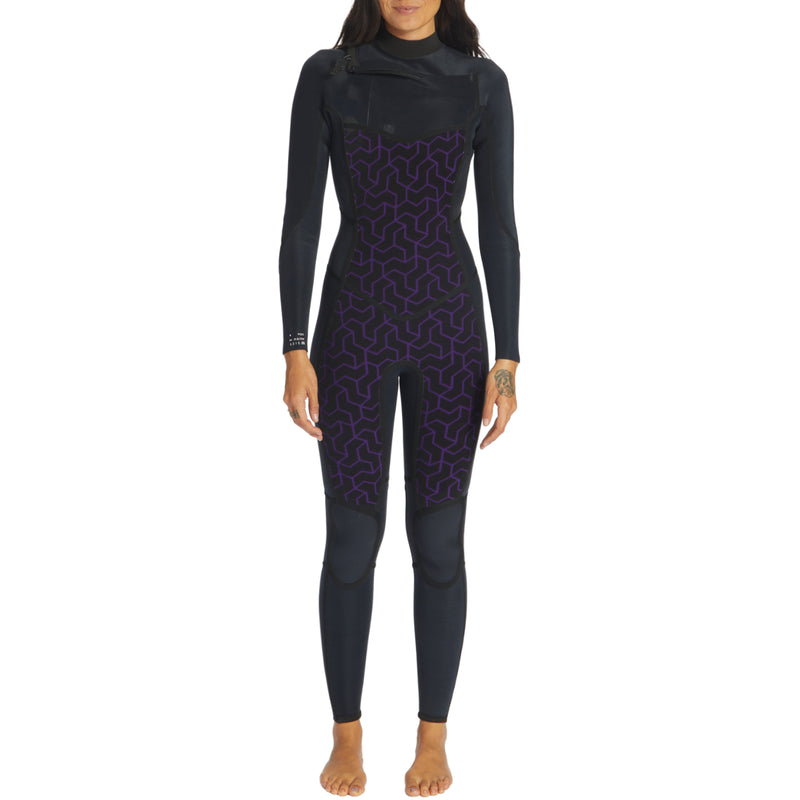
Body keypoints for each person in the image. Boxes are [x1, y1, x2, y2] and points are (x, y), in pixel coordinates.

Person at [279, 0, 520, 795]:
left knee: (439, 542)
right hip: (351, 332)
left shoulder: (483, 83)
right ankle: (346, 737)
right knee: (351, 541)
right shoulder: (327, 77)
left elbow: (499, 228)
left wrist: (508, 358)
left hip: (451, 335)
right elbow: (301, 220)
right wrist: (294, 347)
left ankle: (433, 738)